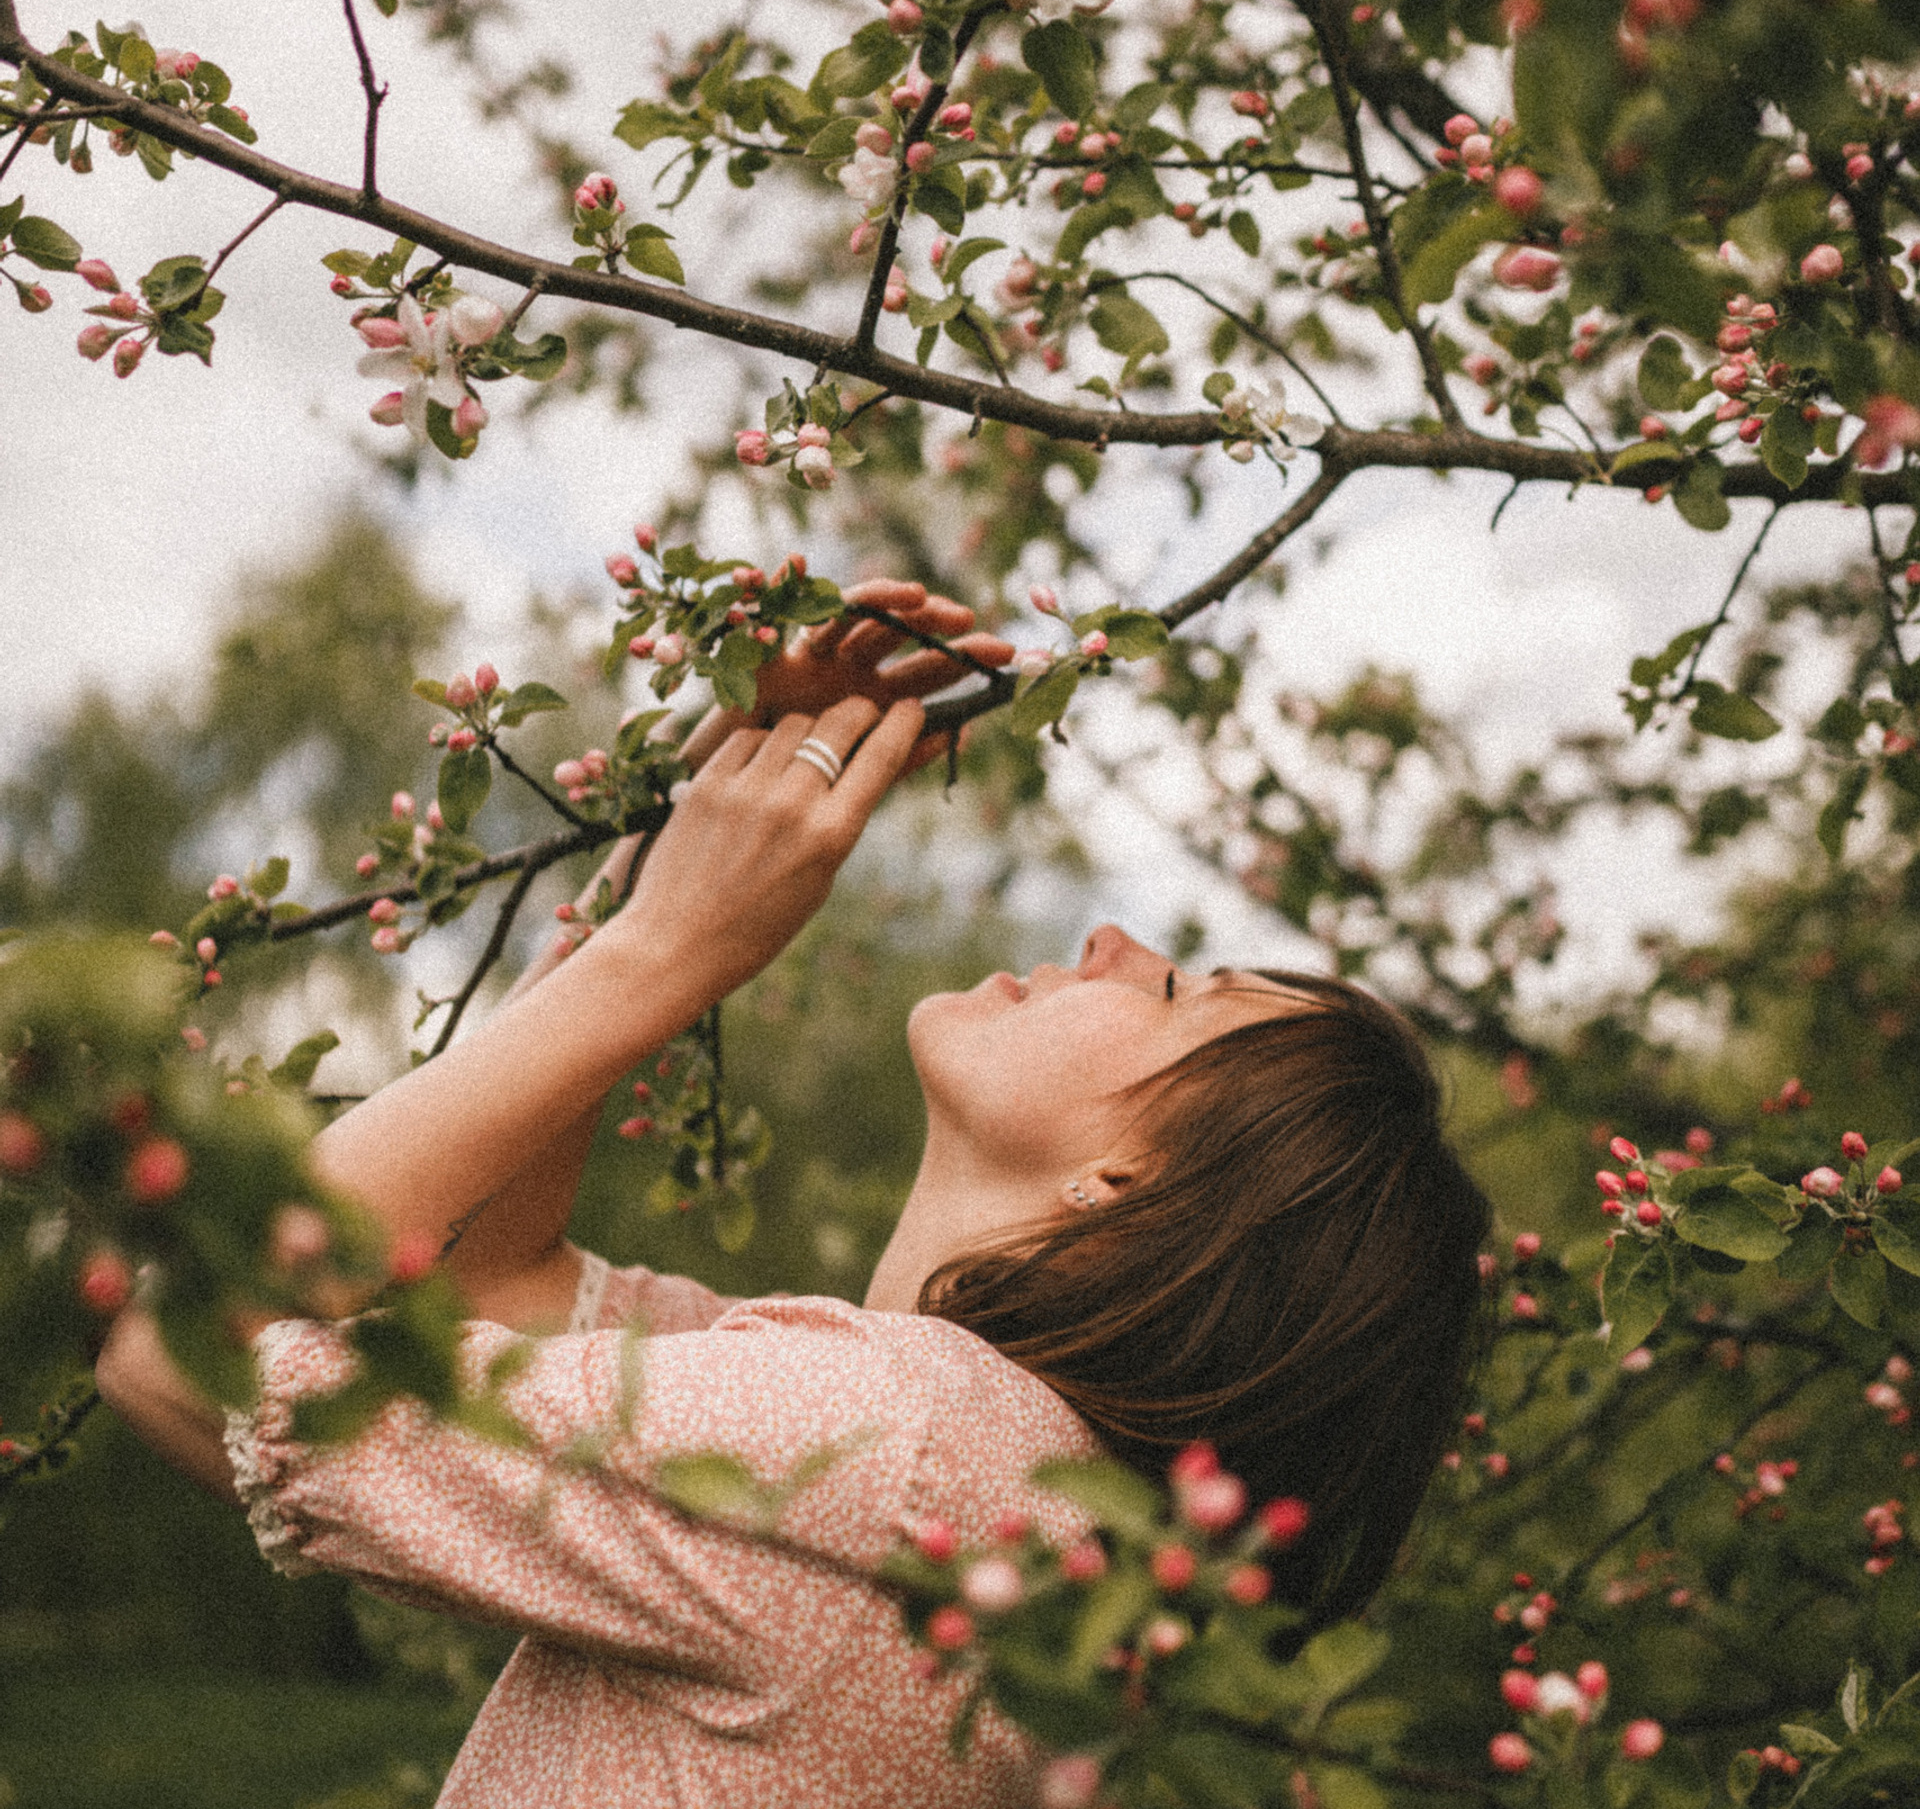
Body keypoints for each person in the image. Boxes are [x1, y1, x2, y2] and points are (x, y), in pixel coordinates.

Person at [96, 580, 1490, 1808]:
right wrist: (677, 858)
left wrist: (671, 948)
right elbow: (487, 1278)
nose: (1118, 942)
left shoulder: (894, 1455)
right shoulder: (987, 1493)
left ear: (1125, 1184)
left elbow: (188, 1345)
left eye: (1177, 992)